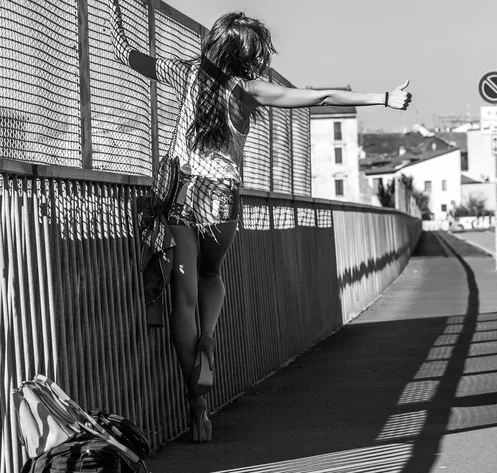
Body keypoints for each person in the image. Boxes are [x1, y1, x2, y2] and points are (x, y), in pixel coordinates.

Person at [106, 0, 412, 443]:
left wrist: (116, 11)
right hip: (221, 200)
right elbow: (321, 96)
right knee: (213, 274)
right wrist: (384, 97)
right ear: (248, 56)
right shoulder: (249, 91)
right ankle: (209, 339)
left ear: (213, 43)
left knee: (182, 301)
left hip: (180, 194)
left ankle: (197, 409)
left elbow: (124, 53)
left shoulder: (184, 72)